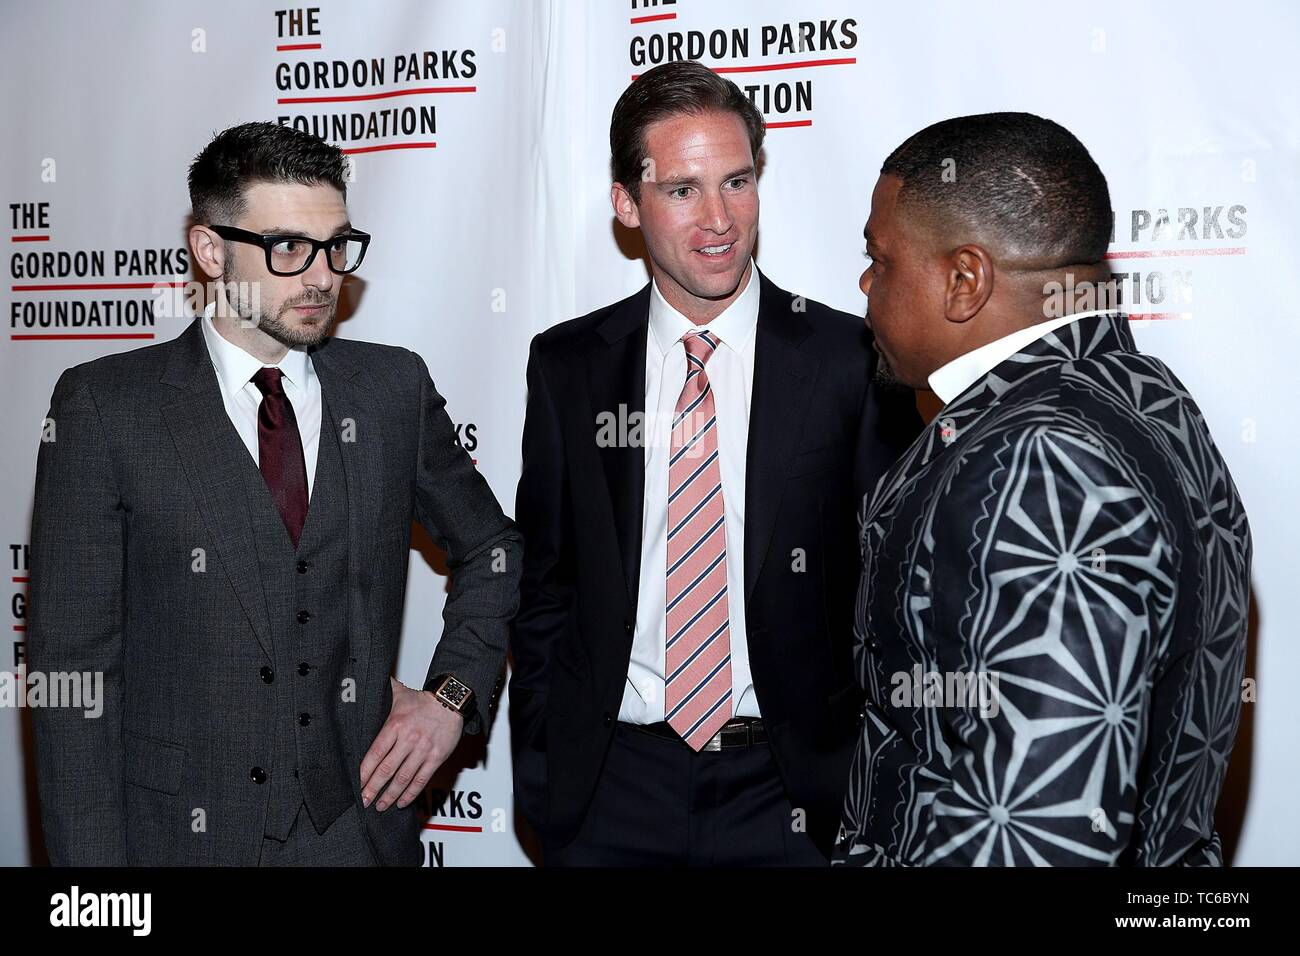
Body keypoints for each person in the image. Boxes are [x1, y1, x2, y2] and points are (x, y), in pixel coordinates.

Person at [28, 121, 521, 866]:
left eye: (336, 246)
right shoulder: (106, 408)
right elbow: (73, 677)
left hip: (356, 831)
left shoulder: (389, 390)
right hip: (176, 841)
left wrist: (451, 699)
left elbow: (493, 550)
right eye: (289, 247)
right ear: (209, 250)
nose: (323, 275)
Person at [509, 60, 921, 866]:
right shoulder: (569, 365)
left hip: (794, 789)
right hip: (609, 790)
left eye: (737, 182)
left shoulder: (850, 358)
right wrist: (547, 753)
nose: (719, 220)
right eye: (682, 190)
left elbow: (893, 582)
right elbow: (546, 580)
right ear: (628, 204)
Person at [834, 112, 1252, 866]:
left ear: (965, 279)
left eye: (882, 259)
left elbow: (1042, 827)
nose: (866, 282)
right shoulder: (1148, 396)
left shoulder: (1043, 459)